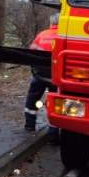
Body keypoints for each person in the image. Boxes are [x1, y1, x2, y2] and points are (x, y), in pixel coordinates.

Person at [24, 13, 60, 144]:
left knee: (32, 98)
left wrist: (34, 70)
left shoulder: (41, 35)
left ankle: (29, 124)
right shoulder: (65, 36)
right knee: (56, 105)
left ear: (51, 23)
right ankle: (54, 136)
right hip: (57, 78)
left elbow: (31, 53)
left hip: (40, 75)